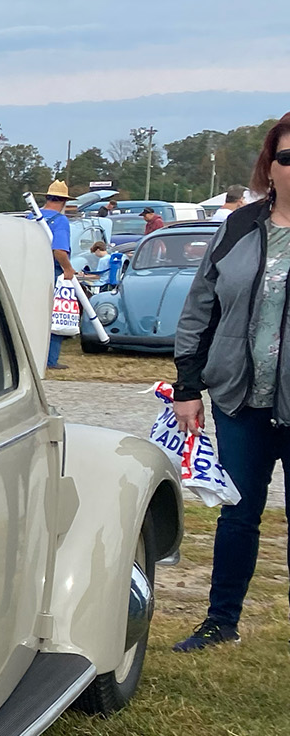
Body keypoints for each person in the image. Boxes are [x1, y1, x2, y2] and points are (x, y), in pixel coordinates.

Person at [169, 113, 290, 651]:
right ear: (270, 164)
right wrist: (188, 387)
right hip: (241, 401)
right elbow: (200, 309)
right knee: (238, 513)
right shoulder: (239, 227)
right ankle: (221, 622)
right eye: (286, 157)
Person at [34, 179, 76, 370]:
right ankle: (50, 359)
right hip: (52, 274)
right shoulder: (60, 221)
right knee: (57, 315)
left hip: (30, 270)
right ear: (64, 202)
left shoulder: (31, 217)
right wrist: (68, 269)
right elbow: (59, 250)